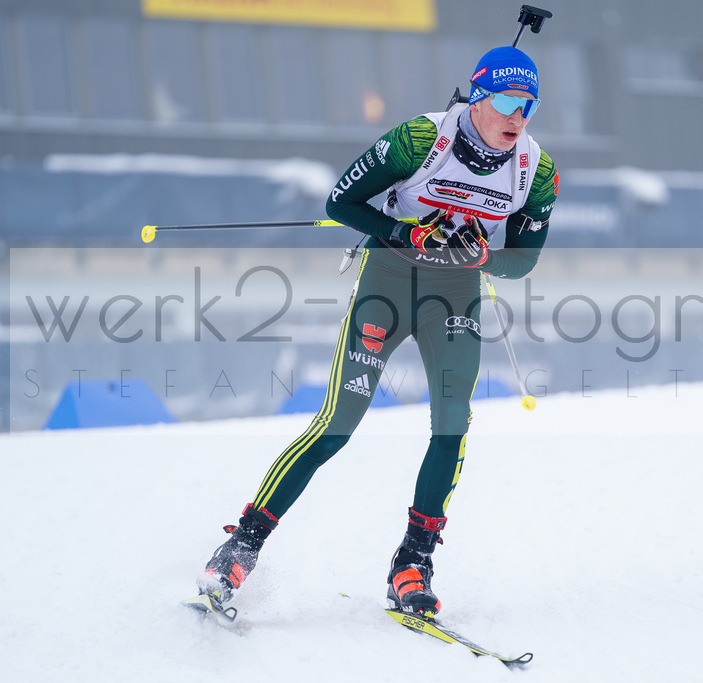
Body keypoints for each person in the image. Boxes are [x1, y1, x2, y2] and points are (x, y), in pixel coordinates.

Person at [196, 45, 558, 617]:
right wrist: (404, 233)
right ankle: (242, 543)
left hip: (455, 294)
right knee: (338, 423)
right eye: (510, 102)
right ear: (480, 97)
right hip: (388, 284)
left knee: (451, 425)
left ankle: (412, 562)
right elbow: (341, 202)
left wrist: (484, 253)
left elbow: (523, 262)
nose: (519, 119)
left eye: (529, 107)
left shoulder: (536, 169)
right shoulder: (419, 139)